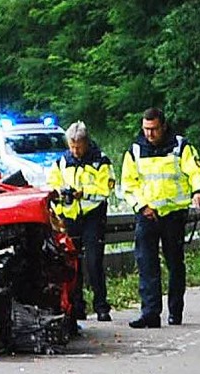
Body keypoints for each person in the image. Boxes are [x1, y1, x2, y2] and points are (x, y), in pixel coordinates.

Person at [121, 107, 200, 328]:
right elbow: (128, 185)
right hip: (147, 215)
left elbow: (196, 171)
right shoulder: (135, 150)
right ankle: (150, 313)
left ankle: (175, 311)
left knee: (175, 264)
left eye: (153, 129)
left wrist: (199, 191)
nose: (149, 134)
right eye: (146, 129)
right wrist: (142, 206)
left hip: (173, 215)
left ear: (163, 126)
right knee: (147, 264)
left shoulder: (180, 147)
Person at [47, 121, 115, 325]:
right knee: (72, 264)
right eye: (71, 146)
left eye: (78, 146)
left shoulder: (100, 161)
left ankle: (101, 306)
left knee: (94, 262)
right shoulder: (62, 161)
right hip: (70, 218)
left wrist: (83, 193)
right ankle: (76, 307)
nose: (75, 150)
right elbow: (52, 186)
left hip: (93, 216)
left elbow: (105, 189)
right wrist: (61, 200)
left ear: (86, 143)